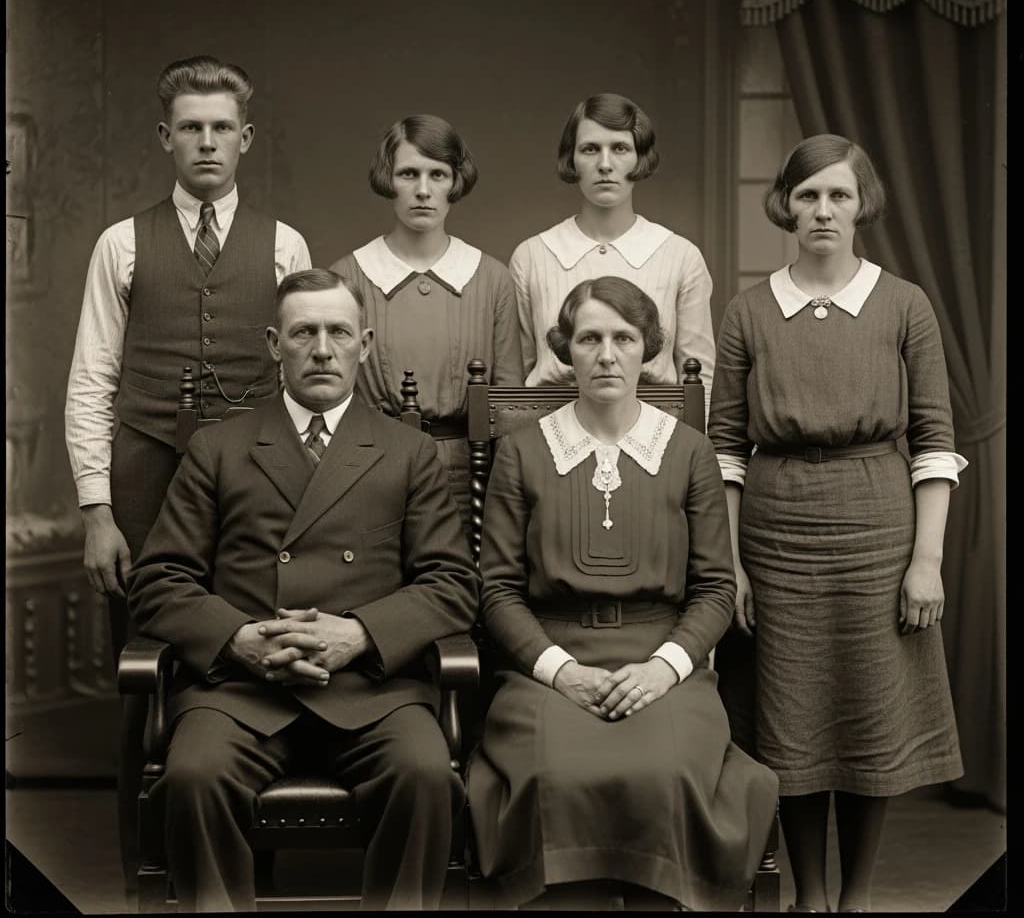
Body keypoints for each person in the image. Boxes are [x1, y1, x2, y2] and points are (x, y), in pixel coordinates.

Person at [126, 268, 480, 912]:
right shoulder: (216, 448)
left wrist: (362, 634)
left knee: (427, 776)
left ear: (364, 346)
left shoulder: (408, 452)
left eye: (338, 332)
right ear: (274, 344)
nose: (322, 349)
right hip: (243, 690)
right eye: (303, 333)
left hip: (371, 688)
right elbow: (158, 581)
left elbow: (452, 583)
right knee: (193, 776)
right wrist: (238, 639)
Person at [63, 54, 311, 896]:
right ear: (165, 138)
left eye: (221, 129)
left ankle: (250, 861)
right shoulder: (120, 243)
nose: (207, 142)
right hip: (143, 476)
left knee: (252, 644)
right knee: (144, 661)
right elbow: (92, 379)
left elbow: (302, 374)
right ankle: (143, 867)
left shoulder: (284, 243)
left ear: (246, 139)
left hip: (253, 477)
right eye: (191, 128)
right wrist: (98, 510)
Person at [708, 134, 966, 913]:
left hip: (878, 525)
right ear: (786, 205)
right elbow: (726, 449)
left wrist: (926, 560)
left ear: (863, 205)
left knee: (868, 713)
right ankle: (808, 896)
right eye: (809, 195)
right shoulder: (749, 311)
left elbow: (935, 441)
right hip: (775, 531)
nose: (823, 210)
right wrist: (733, 564)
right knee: (790, 715)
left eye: (839, 195)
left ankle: (855, 898)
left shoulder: (904, 304)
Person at [466, 276, 778, 911]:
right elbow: (497, 590)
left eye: (624, 338)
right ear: (564, 350)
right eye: (589, 339)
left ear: (648, 349)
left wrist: (665, 669)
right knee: (555, 774)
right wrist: (562, 672)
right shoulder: (522, 452)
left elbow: (715, 588)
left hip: (663, 663)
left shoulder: (689, 452)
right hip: (549, 666)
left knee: (663, 772)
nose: (606, 355)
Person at [330, 114, 522, 525]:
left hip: (470, 478)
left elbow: (508, 409)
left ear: (455, 182)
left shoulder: (492, 279)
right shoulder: (347, 278)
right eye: (408, 174)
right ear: (388, 178)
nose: (422, 190)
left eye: (437, 175)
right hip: (367, 471)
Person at [509, 93, 716, 401]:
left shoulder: (681, 257)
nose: (605, 165)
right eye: (590, 149)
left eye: (620, 148)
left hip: (657, 421)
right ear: (572, 159)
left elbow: (701, 380)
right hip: (549, 420)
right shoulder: (531, 257)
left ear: (639, 158)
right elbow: (516, 379)